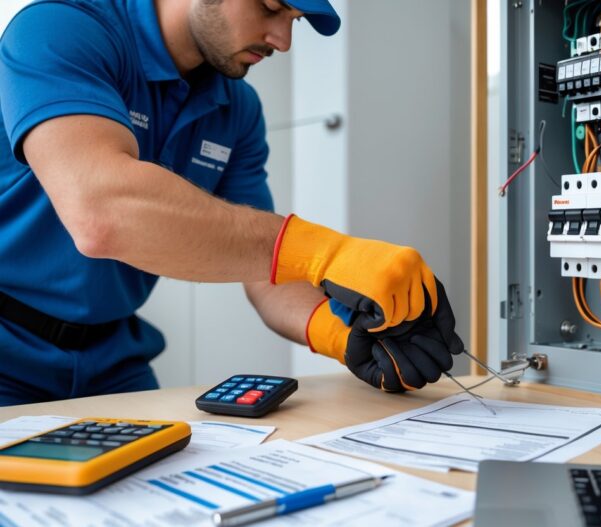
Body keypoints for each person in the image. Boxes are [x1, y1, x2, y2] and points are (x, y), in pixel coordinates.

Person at [0, 0, 463, 406]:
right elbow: (102, 213)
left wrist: (341, 336)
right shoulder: (61, 29)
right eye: (270, 8)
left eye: (295, 20)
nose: (282, 41)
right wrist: (329, 254)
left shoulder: (237, 109)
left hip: (113, 357)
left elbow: (266, 272)